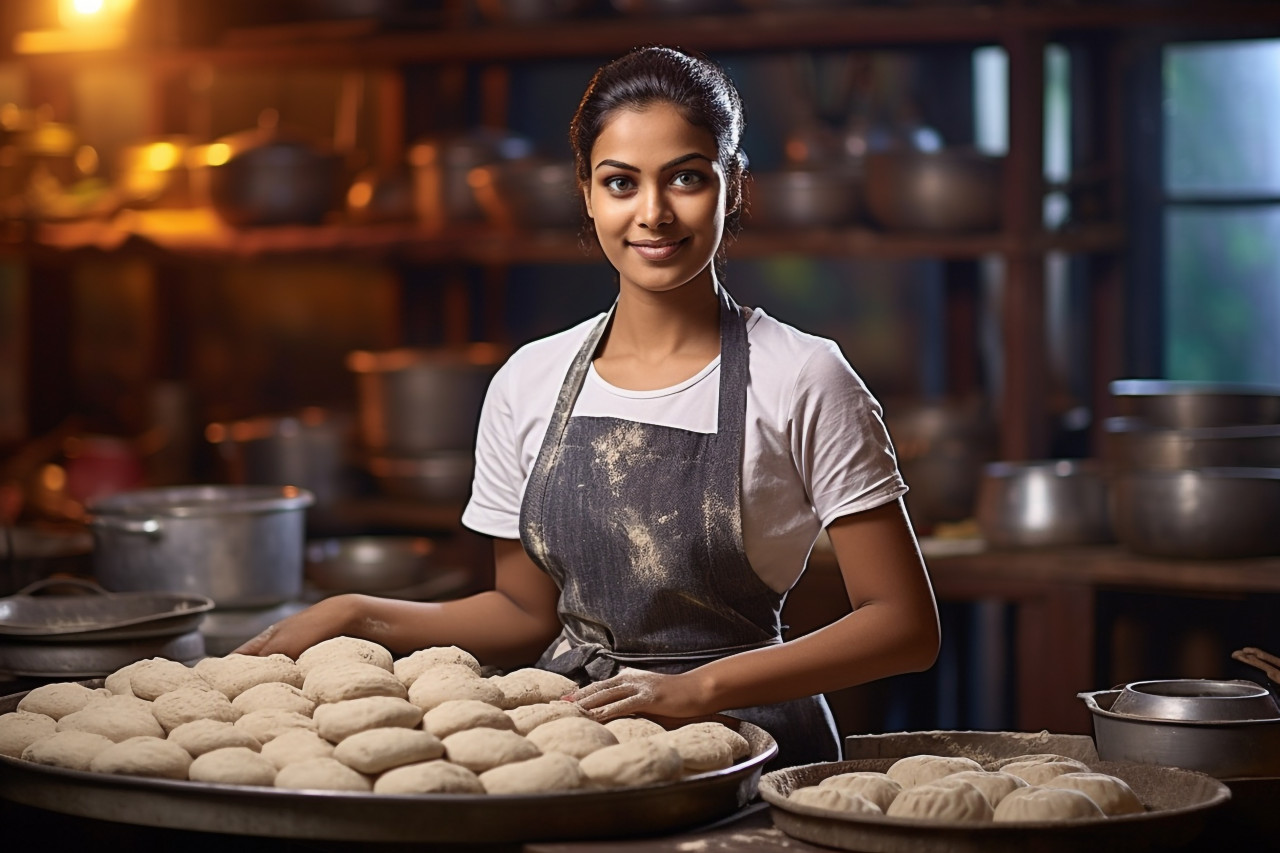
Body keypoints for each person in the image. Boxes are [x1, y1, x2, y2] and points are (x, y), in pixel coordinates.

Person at [237, 45, 940, 768]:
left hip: (749, 743)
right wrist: (358, 613)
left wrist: (697, 688)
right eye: (620, 182)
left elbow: (904, 625)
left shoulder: (803, 375)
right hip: (575, 741)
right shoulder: (531, 378)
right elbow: (521, 615)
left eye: (687, 178)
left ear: (732, 185)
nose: (654, 214)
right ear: (587, 192)